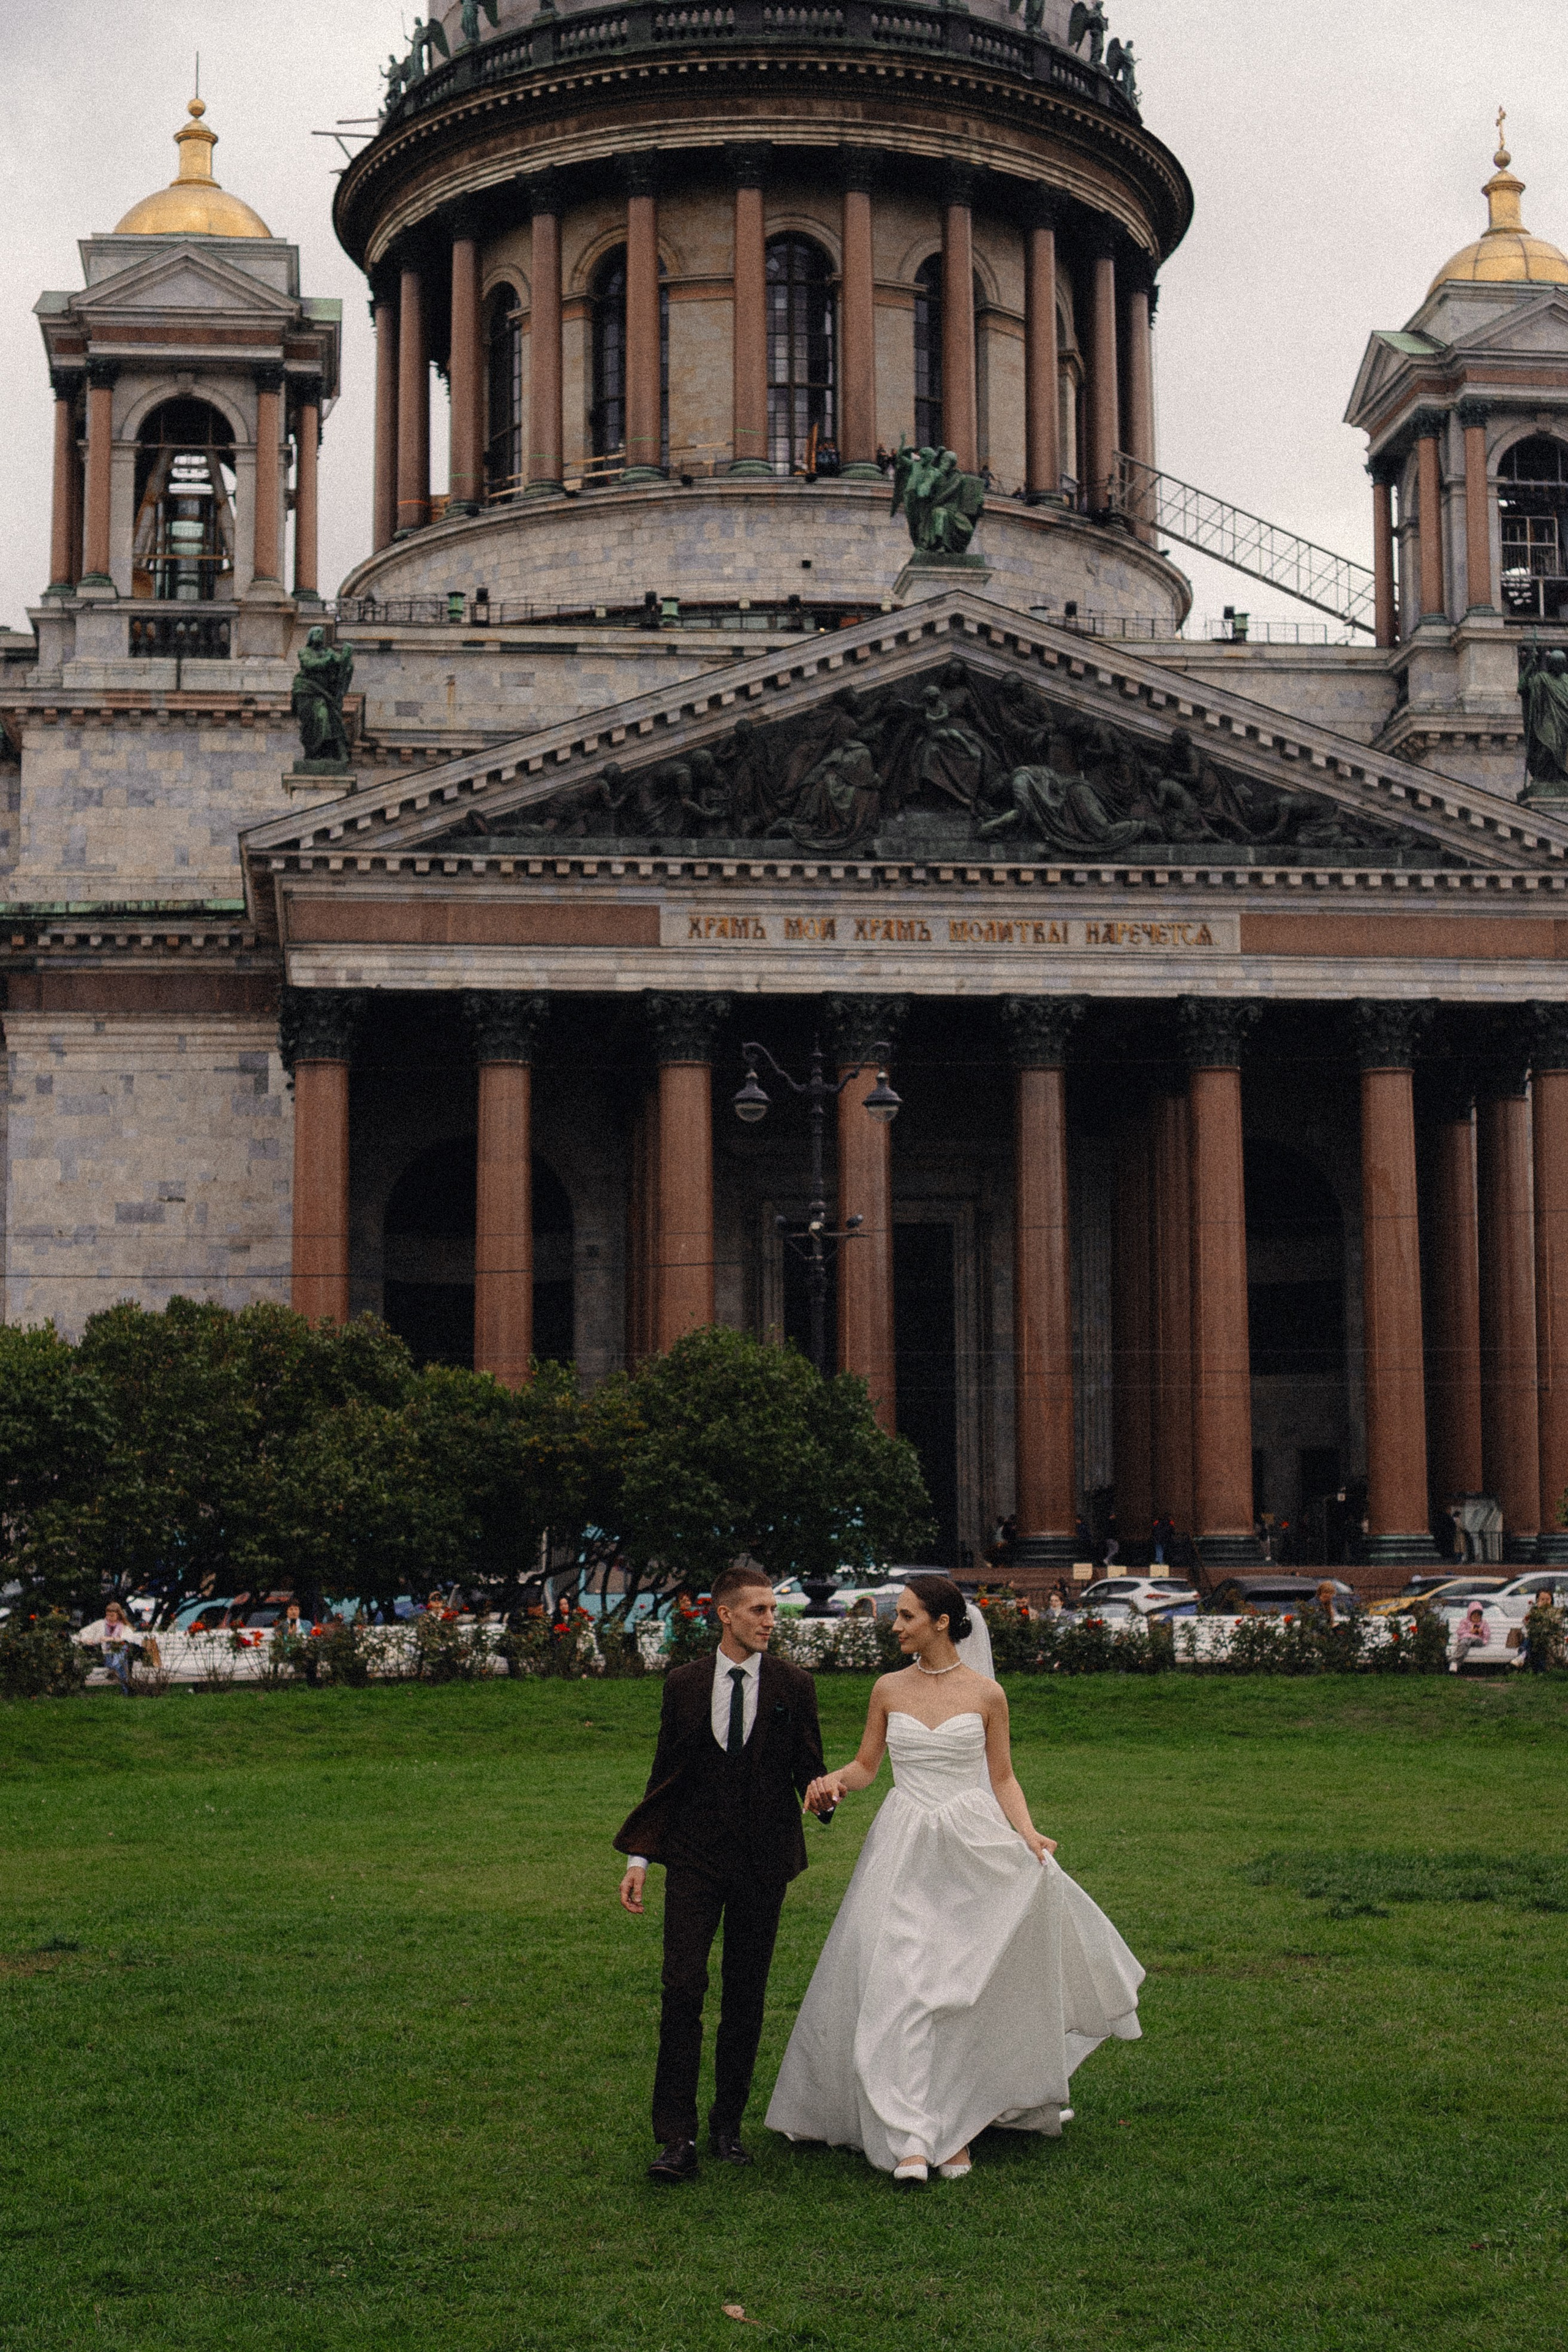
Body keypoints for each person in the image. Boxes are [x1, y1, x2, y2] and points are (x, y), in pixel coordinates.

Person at [765, 1573, 1142, 2182]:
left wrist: (1027, 1832)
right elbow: (867, 1766)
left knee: (959, 1989)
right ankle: (912, 2134)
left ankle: (955, 2125)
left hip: (972, 1849)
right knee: (900, 1987)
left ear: (941, 1623)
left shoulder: (987, 1694)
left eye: (906, 1616)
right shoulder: (887, 1689)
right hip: (905, 1846)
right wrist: (834, 1781)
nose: (895, 1626)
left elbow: (1002, 1778)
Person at [614, 1562, 825, 2184]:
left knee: (745, 1996)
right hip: (694, 1860)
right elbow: (665, 1776)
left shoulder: (795, 1685)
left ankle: (726, 2126)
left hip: (764, 1863)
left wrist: (824, 1796)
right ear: (724, 1614)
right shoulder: (683, 1684)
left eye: (773, 1610)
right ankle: (674, 2138)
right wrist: (639, 1858)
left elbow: (809, 1771)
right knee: (681, 1990)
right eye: (758, 1610)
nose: (770, 1620)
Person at [78, 1600, 141, 1694]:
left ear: (118, 1615)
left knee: (122, 1650)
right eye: (108, 1615)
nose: (109, 1618)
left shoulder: (123, 1627)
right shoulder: (100, 1624)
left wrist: (111, 1639)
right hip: (106, 1656)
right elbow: (83, 1633)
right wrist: (86, 1640)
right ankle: (127, 1690)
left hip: (120, 1655)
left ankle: (124, 1686)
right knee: (122, 1663)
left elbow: (128, 1638)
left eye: (112, 1616)